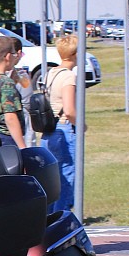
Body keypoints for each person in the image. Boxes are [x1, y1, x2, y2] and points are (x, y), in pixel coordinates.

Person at [40, 34, 79, 213]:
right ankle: (62, 215)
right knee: (67, 175)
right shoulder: (69, 77)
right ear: (74, 54)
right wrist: (81, 124)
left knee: (53, 177)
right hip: (63, 128)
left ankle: (50, 214)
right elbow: (69, 110)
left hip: (49, 130)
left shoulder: (50, 73)